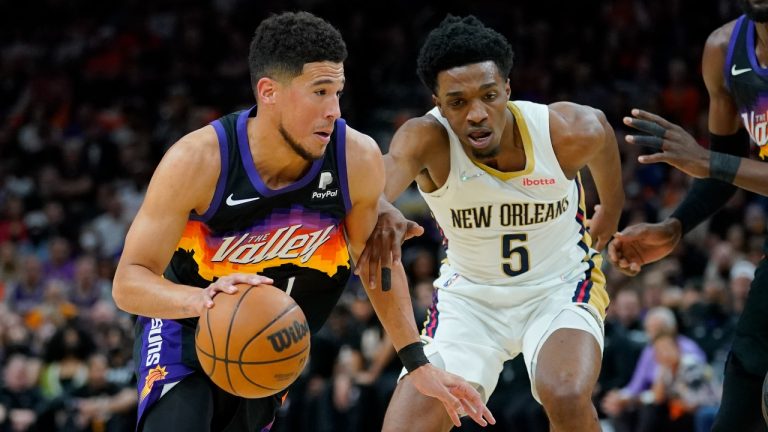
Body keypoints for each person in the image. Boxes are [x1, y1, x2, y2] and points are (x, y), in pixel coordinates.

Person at [111, 11, 492, 432]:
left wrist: (417, 362)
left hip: (273, 343)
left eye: (338, 92)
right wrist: (201, 301)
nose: (334, 110)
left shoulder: (356, 158)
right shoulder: (199, 160)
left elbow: (377, 264)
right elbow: (128, 282)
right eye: (320, 92)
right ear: (268, 92)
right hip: (183, 327)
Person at [357, 15, 624, 432]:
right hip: (470, 301)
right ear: (438, 104)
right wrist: (378, 203)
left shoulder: (563, 132)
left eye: (489, 95)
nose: (477, 114)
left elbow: (603, 134)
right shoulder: (427, 138)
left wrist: (611, 205)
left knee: (566, 394)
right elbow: (378, 182)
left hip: (558, 285)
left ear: (508, 90)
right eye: (458, 102)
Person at [608, 1, 768, 430]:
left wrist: (708, 161)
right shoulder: (724, 49)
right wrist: (675, 226)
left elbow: (716, 163)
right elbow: (725, 168)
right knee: (744, 375)